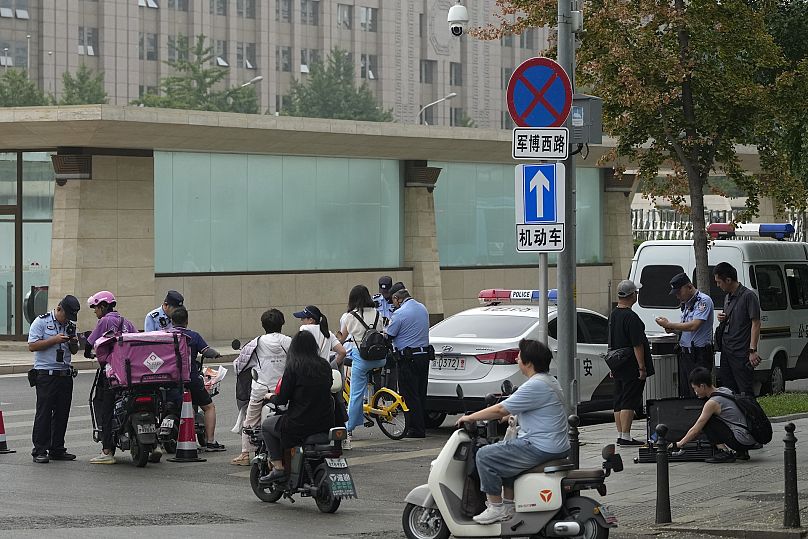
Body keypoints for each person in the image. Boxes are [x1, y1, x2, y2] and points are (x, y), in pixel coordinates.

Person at [456, 339, 570, 524]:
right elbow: (524, 408)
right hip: (554, 444)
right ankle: (508, 506)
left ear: (529, 363)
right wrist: (507, 417)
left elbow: (501, 409)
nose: (517, 358)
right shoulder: (548, 381)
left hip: (541, 446)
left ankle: (496, 508)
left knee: (485, 455)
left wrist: (470, 418)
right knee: (506, 453)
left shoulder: (535, 385)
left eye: (519, 356)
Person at [259, 331, 336, 483]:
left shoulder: (293, 367)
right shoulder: (324, 365)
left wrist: (270, 396)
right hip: (325, 422)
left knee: (267, 426)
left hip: (300, 423)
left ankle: (278, 468)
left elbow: (282, 399)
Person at [231, 309, 291, 466]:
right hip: (283, 389)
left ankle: (245, 454)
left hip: (261, 389)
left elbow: (240, 364)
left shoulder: (256, 343)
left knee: (250, 419)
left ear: (263, 325)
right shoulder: (288, 341)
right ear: (282, 324)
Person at [27, 295, 81, 464]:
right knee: (44, 413)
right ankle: (40, 450)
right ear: (59, 309)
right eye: (66, 316)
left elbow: (74, 351)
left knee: (62, 413)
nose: (67, 320)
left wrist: (73, 342)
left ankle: (57, 449)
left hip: (65, 375)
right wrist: (54, 340)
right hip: (46, 375)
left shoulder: (70, 325)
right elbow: (32, 345)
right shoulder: (41, 322)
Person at [86, 291, 136, 464]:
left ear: (104, 306)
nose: (95, 311)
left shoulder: (105, 321)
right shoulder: (127, 322)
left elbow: (91, 342)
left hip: (110, 375)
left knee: (104, 408)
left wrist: (87, 350)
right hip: (129, 375)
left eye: (96, 307)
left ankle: (107, 451)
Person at [673, 367, 757, 463]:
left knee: (707, 421)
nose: (695, 392)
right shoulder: (724, 390)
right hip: (750, 439)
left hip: (741, 441)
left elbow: (696, 430)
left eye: (695, 388)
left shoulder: (712, 403)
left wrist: (679, 444)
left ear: (702, 386)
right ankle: (742, 452)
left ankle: (724, 452)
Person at [170, 306, 226, 452]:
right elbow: (207, 351)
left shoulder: (163, 335)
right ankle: (210, 442)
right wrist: (216, 354)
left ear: (171, 320)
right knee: (209, 407)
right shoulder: (193, 336)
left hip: (168, 380)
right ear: (187, 321)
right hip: (190, 379)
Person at [608, 279, 654, 446]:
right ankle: (626, 436)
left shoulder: (614, 314)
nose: (637, 294)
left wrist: (611, 365)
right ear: (631, 295)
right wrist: (641, 367)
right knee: (629, 398)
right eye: (636, 292)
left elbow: (611, 341)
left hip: (617, 363)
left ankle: (621, 434)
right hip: (631, 364)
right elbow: (637, 344)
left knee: (619, 399)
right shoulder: (631, 317)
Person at [342, 285, 388, 449]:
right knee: (369, 380)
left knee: (355, 395)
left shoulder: (350, 316)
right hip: (380, 359)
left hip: (361, 359)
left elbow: (343, 336)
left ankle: (348, 429)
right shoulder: (378, 313)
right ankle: (376, 400)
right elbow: (382, 332)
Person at [655, 272, 715, 397]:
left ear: (689, 286)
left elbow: (694, 325)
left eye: (679, 292)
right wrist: (671, 329)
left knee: (699, 392)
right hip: (685, 354)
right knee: (686, 391)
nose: (677, 296)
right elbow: (686, 329)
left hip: (699, 354)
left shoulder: (703, 301)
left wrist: (670, 324)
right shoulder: (687, 304)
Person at [385, 287, 431, 438]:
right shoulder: (422, 308)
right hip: (424, 356)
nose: (394, 304)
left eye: (394, 300)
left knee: (409, 395)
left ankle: (416, 429)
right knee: (420, 392)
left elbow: (389, 334)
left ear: (398, 298)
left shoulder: (400, 313)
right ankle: (422, 424)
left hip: (407, 358)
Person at [714, 262, 761, 395]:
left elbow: (756, 323)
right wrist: (722, 318)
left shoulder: (748, 296)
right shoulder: (727, 297)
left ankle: (752, 416)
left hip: (741, 352)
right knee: (729, 390)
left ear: (728, 280)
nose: (718, 285)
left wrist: (752, 350)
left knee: (745, 390)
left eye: (719, 282)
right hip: (727, 350)